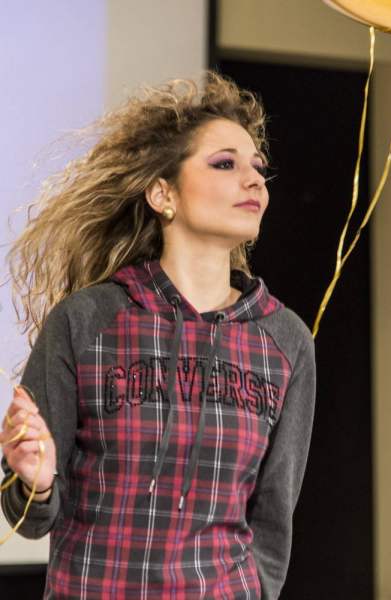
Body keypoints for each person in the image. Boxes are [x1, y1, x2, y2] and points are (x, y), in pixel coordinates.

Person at [0, 71, 316, 599]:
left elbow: (273, 521)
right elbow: (30, 519)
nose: (255, 181)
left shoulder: (286, 341)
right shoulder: (86, 320)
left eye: (258, 167)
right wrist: (34, 481)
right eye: (225, 164)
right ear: (162, 193)